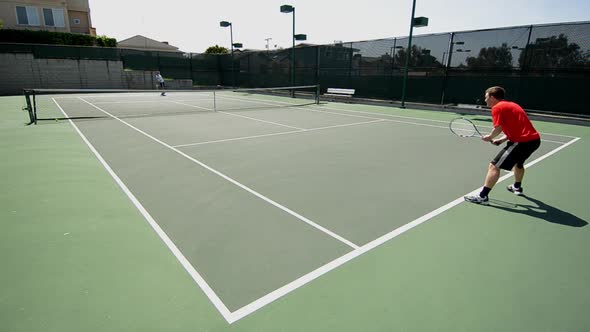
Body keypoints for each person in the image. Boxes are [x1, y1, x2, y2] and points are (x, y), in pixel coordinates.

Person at [464, 86, 541, 205]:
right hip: (534, 140)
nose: (485, 100)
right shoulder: (511, 105)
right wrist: (501, 140)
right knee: (518, 164)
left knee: (494, 166)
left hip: (521, 142)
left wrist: (489, 137)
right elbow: (515, 127)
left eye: (486, 97)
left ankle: (482, 196)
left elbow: (498, 128)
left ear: (493, 97)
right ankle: (517, 187)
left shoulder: (497, 108)